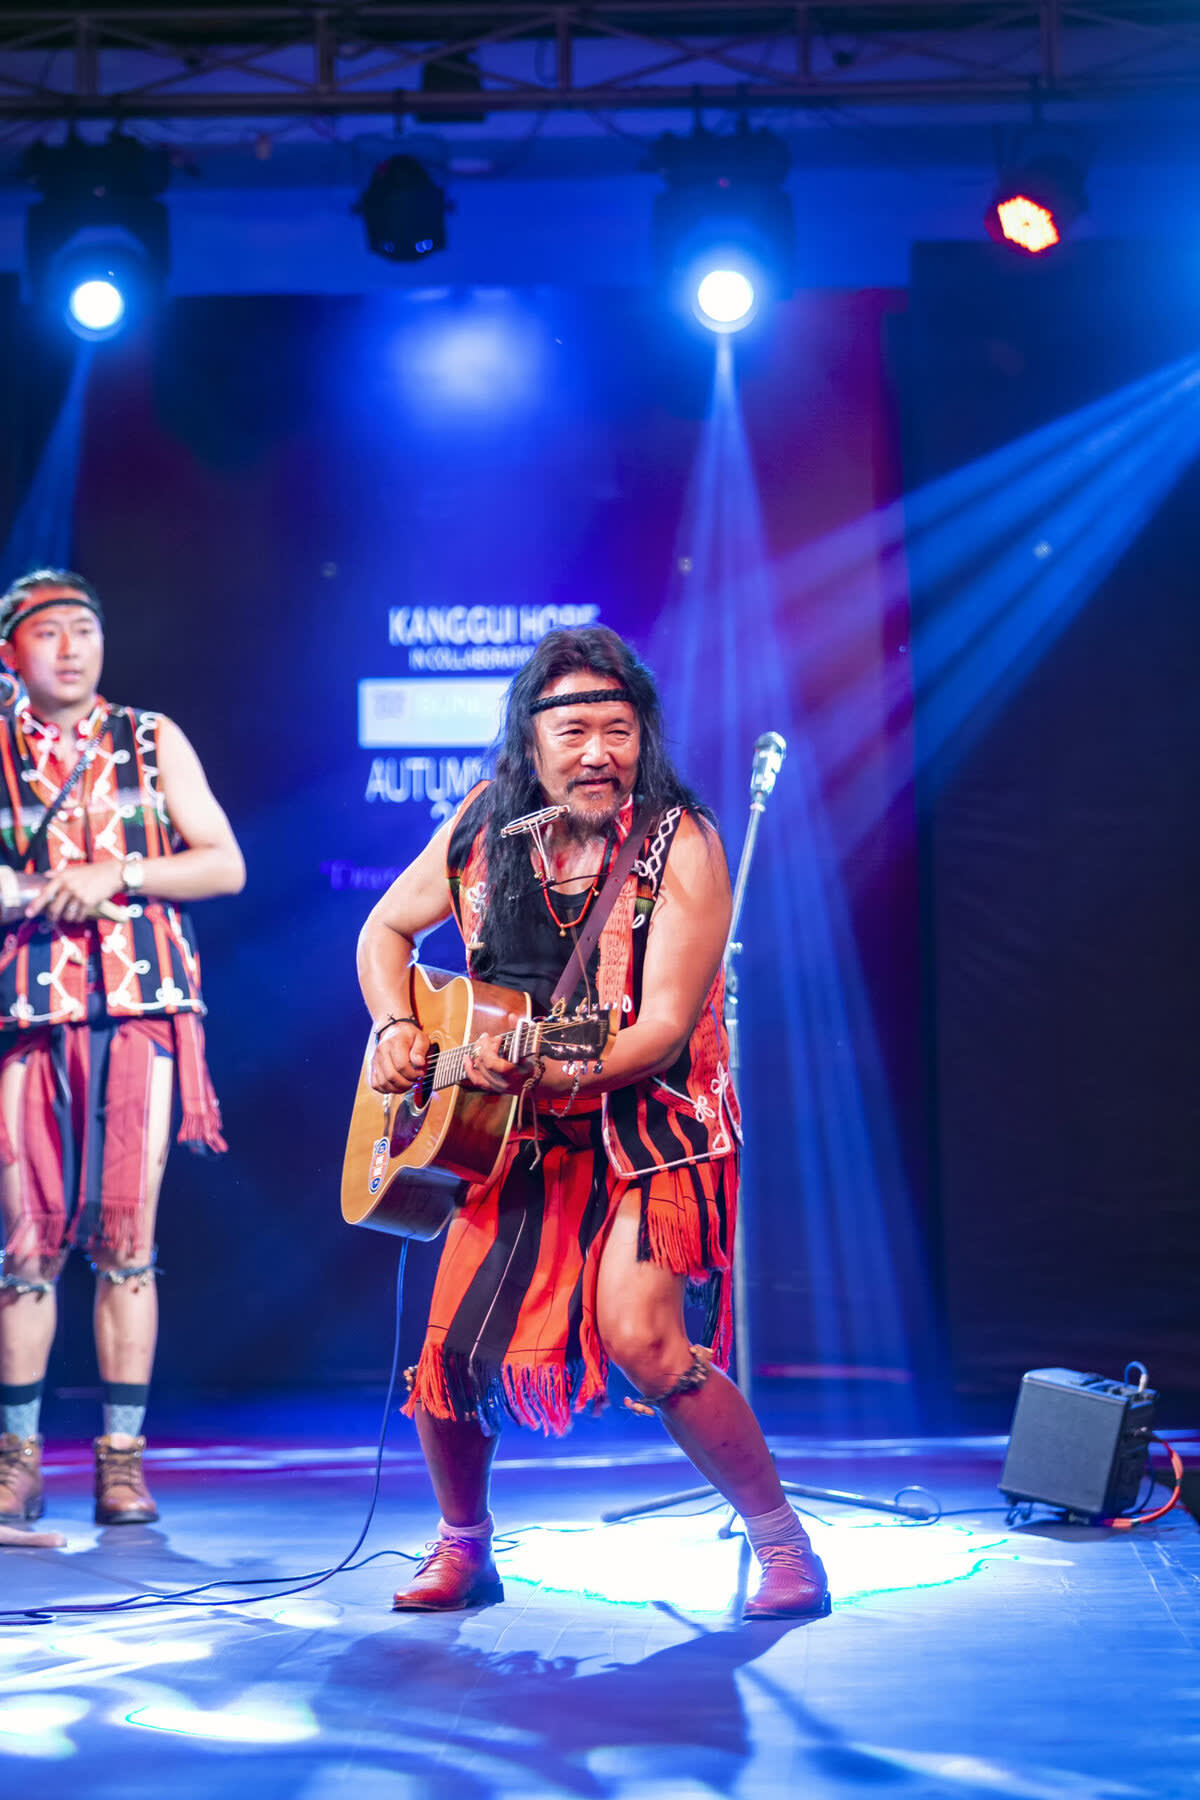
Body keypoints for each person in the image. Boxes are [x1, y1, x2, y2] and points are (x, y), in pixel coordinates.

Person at [357, 626, 828, 1620]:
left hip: (650, 1129)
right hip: (512, 1131)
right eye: (573, 730)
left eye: (619, 730)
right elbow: (385, 930)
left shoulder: (681, 842)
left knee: (643, 1339)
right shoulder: (486, 822)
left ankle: (785, 1545)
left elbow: (659, 1031)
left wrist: (536, 1061)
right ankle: (465, 1548)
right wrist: (399, 1025)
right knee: (449, 1351)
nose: (597, 752)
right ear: (530, 741)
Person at [0, 568, 244, 1538]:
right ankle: (15, 1466)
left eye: (85, 628)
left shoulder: (150, 737)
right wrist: (27, 893)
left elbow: (223, 862)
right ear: (9, 651)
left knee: (127, 1249)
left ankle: (121, 1466)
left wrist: (123, 870)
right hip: (25, 1020)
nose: (72, 646)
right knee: (25, 1248)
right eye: (49, 631)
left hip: (141, 1012)